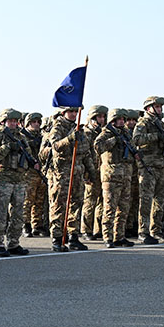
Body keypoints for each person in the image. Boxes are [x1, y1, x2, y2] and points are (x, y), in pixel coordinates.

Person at [0, 109, 38, 256]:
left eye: (16, 121)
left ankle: (14, 243)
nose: (14, 123)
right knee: (0, 214)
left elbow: (28, 154)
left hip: (19, 180)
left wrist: (32, 162)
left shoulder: (21, 137)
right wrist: (8, 146)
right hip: (3, 179)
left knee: (18, 214)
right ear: (3, 122)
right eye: (11, 121)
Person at [132, 96, 164, 244]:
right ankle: (143, 232)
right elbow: (137, 139)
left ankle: (156, 230)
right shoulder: (143, 123)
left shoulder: (162, 125)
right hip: (149, 167)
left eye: (160, 107)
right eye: (157, 107)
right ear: (148, 108)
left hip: (162, 166)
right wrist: (155, 136)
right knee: (146, 201)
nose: (160, 109)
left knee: (160, 201)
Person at [48, 106, 92, 252]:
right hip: (62, 173)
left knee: (76, 205)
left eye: (76, 112)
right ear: (64, 113)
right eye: (71, 112)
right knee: (59, 205)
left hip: (78, 172)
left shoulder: (79, 128)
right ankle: (57, 238)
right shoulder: (58, 127)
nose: (74, 114)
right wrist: (69, 139)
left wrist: (91, 171)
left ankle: (73, 236)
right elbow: (55, 146)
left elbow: (85, 152)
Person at [94, 108, 137, 248]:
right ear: (113, 120)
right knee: (109, 208)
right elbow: (97, 146)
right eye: (119, 119)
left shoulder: (125, 134)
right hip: (111, 177)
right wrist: (114, 140)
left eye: (123, 119)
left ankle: (119, 236)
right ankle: (107, 237)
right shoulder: (106, 133)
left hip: (125, 175)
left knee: (123, 208)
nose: (122, 121)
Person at [80, 105, 108, 242]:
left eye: (103, 117)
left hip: (103, 171)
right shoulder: (86, 134)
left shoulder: (103, 133)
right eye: (98, 117)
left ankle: (98, 229)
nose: (101, 119)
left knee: (102, 202)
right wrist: (87, 173)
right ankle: (86, 229)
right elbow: (84, 155)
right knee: (89, 202)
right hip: (91, 171)